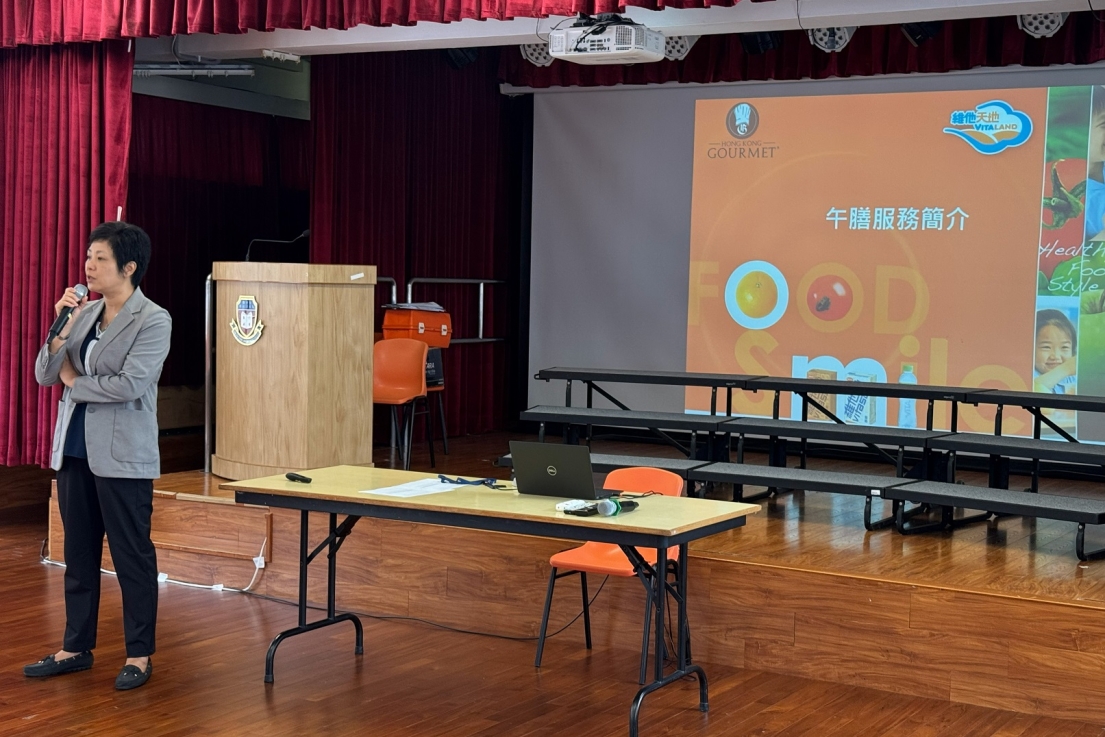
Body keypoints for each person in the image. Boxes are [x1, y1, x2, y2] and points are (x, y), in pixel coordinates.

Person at [24, 222, 171, 691]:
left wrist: (74, 380)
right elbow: (44, 374)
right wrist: (59, 328)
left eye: (100, 258)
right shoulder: (83, 313)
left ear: (129, 267)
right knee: (79, 554)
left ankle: (139, 654)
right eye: (89, 256)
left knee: (131, 556)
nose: (88, 265)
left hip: (123, 456)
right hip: (74, 449)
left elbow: (130, 384)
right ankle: (75, 647)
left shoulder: (153, 319)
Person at [1033, 309, 1077, 395]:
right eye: (1046, 347)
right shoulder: (1027, 376)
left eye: (1064, 347)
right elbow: (1031, 391)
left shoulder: (1072, 378)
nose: (1056, 356)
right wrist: (1065, 369)